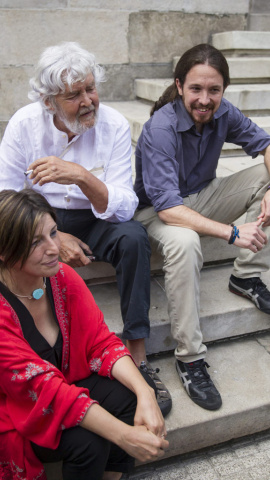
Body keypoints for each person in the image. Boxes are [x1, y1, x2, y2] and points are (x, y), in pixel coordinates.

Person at [0, 41, 171, 415]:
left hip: (99, 218)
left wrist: (79, 176)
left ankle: (138, 356)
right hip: (39, 221)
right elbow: (8, 200)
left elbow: (124, 204)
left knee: (133, 238)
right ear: (49, 101)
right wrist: (54, 236)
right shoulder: (24, 125)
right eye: (74, 95)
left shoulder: (112, 125)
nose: (88, 100)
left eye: (91, 88)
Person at [134, 43, 270, 411]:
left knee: (266, 176)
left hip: (202, 194)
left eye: (214, 90)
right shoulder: (160, 128)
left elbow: (266, 144)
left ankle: (246, 276)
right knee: (186, 242)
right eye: (196, 89)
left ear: (223, 90)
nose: (205, 99)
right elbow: (169, 209)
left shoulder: (224, 112)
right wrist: (231, 233)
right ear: (179, 86)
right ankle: (190, 357)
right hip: (157, 212)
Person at [0, 188, 169, 480]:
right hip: (20, 407)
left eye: (54, 232)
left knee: (130, 394)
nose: (54, 248)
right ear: (4, 252)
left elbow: (101, 342)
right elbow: (43, 389)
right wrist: (124, 436)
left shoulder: (62, 278)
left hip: (63, 384)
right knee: (90, 442)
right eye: (35, 242)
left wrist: (146, 392)